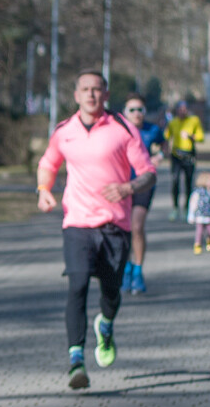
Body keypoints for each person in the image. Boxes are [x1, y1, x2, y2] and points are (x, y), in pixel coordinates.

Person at [37, 71, 156, 390]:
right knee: (77, 285)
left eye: (97, 90)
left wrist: (129, 186)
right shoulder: (64, 131)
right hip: (77, 222)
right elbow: (48, 163)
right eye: (85, 89)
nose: (91, 95)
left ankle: (105, 325)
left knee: (111, 292)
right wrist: (43, 188)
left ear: (105, 95)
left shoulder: (122, 128)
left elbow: (148, 173)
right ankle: (76, 358)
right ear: (76, 95)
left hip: (116, 225)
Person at [120, 94, 164, 293]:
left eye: (140, 110)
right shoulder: (117, 131)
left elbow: (164, 145)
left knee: (136, 226)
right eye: (132, 110)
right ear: (124, 113)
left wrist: (159, 156)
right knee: (124, 229)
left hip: (144, 184)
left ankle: (138, 271)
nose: (137, 113)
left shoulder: (152, 130)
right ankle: (126, 269)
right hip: (120, 185)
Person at [163, 100, 204, 221]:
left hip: (189, 155)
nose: (183, 111)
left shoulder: (194, 121)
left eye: (185, 109)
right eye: (180, 109)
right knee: (175, 180)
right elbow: (166, 136)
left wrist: (191, 136)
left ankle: (187, 208)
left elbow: (201, 137)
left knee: (188, 182)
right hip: (176, 155)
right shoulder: (173, 122)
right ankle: (175, 208)